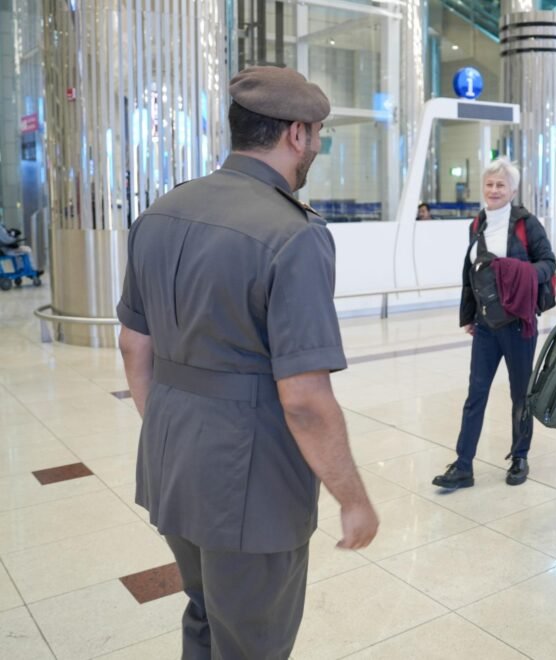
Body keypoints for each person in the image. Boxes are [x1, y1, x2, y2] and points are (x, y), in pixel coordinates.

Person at [117, 65, 378, 658]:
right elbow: (305, 399)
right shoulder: (293, 234)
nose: (315, 145)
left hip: (171, 462)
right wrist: (354, 498)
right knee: (253, 640)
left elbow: (135, 345)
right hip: (251, 483)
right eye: (316, 134)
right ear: (296, 134)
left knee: (206, 614)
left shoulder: (161, 211)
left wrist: (169, 426)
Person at [432, 157, 556, 489]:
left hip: (518, 324)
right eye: (489, 184)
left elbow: (548, 262)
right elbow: (472, 275)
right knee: (476, 394)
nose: (494, 190)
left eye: (501, 185)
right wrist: (470, 315)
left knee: (521, 395)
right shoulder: (478, 224)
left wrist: (523, 273)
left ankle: (519, 457)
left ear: (513, 190)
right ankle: (463, 465)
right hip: (486, 325)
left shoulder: (526, 224)